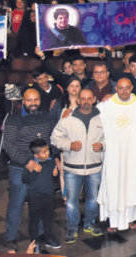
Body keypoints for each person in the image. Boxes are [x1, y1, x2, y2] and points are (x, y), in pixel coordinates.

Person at [1, 88, 57, 251]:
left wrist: (55, 158)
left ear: (40, 100)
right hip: (21, 169)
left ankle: (39, 236)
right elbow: (8, 145)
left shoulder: (46, 117)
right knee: (17, 204)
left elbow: (52, 140)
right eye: (29, 100)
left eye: (36, 100)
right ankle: (10, 237)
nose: (33, 103)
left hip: (42, 168)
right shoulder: (14, 119)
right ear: (23, 102)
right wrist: (27, 162)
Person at [97, 77, 136, 232]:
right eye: (121, 88)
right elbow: (92, 116)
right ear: (116, 88)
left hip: (132, 154)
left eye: (127, 88)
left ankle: (130, 219)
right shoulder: (106, 105)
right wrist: (69, 110)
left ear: (132, 88)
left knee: (131, 185)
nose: (124, 91)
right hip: (113, 154)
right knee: (113, 185)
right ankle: (113, 221)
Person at [50, 88, 105, 242]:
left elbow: (110, 139)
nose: (86, 101)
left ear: (94, 99)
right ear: (78, 100)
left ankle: (89, 223)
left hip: (94, 168)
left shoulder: (102, 119)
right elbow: (55, 138)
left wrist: (102, 145)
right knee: (72, 200)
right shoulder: (68, 118)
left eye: (89, 98)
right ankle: (72, 227)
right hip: (72, 169)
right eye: (83, 98)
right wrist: (69, 145)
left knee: (93, 199)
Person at [22, 139, 61, 252]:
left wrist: (55, 172)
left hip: (48, 195)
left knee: (48, 218)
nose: (47, 153)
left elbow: (54, 176)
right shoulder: (31, 164)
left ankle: (48, 237)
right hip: (35, 197)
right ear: (36, 155)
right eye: (44, 152)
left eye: (47, 150)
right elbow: (24, 179)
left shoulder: (50, 161)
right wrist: (34, 171)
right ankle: (34, 242)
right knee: (34, 220)